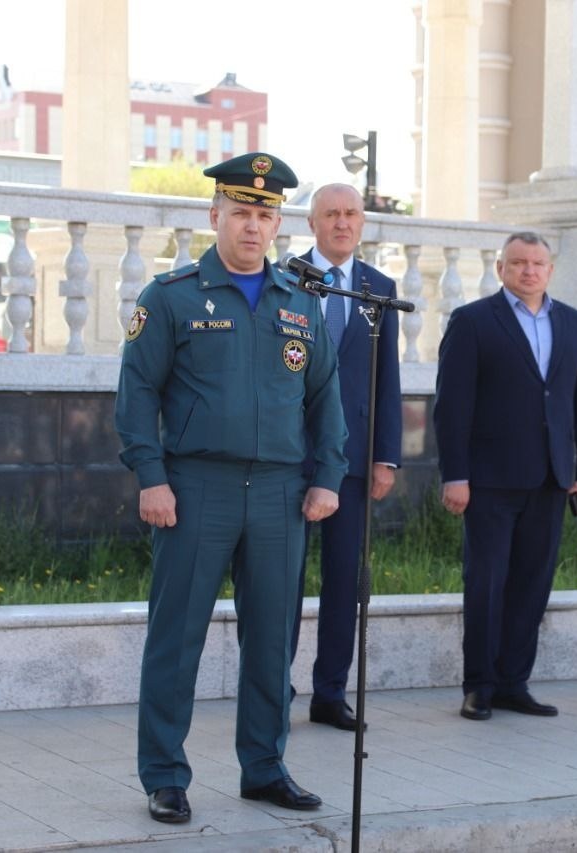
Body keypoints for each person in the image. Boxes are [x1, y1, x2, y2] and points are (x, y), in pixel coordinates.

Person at [115, 151, 347, 823]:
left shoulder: (301, 303)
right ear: (214, 214)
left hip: (279, 491)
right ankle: (164, 773)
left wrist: (327, 476)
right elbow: (136, 394)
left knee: (273, 640)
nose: (252, 226)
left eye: (265, 214)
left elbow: (325, 398)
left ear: (279, 224)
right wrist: (150, 477)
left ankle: (265, 766)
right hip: (195, 487)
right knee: (176, 635)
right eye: (240, 212)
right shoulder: (173, 296)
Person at [434, 231, 577, 721]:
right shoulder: (472, 321)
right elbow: (452, 407)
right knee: (486, 583)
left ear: (550, 270)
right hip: (487, 480)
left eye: (537, 263)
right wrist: (455, 475)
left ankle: (514, 682)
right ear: (500, 268)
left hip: (551, 478)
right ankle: (479, 686)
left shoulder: (573, 323)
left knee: (532, 584)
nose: (528, 271)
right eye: (518, 263)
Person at [291, 183, 402, 732]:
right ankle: (271, 684)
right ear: (311, 223)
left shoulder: (379, 289)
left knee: (344, 579)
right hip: (287, 455)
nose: (341, 222)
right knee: (280, 577)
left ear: (362, 223)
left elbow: (387, 378)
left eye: (351, 214)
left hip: (354, 459)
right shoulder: (285, 278)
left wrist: (387, 455)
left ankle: (330, 692)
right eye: (330, 214)